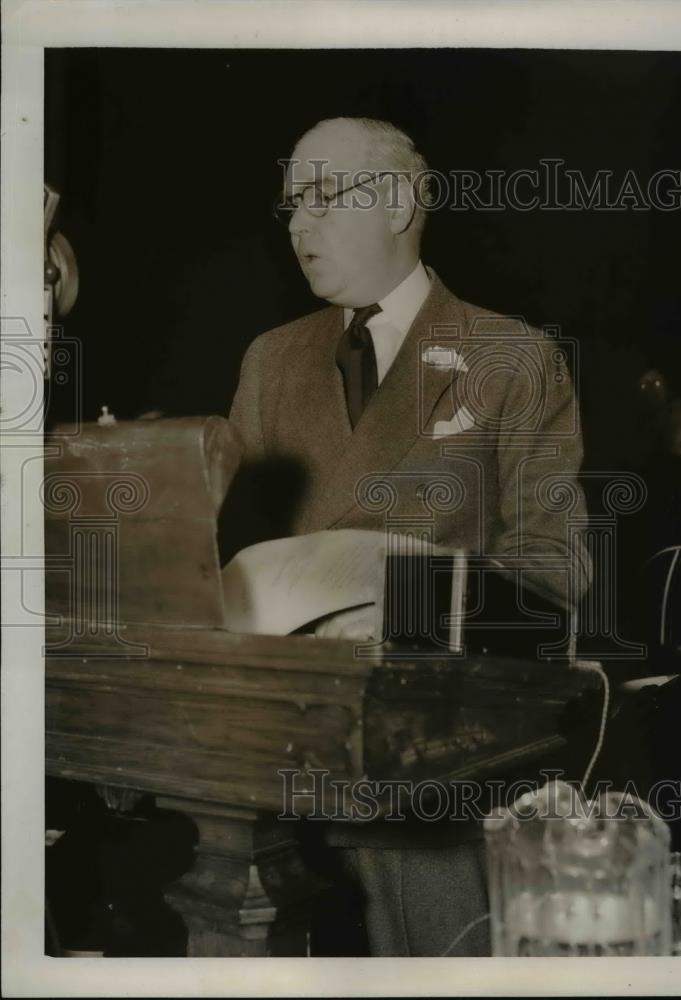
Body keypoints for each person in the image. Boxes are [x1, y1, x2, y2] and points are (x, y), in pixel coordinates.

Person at [229, 117, 591, 955]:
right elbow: (227, 567)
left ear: (398, 202)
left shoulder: (513, 357)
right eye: (289, 203)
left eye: (321, 197)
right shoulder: (269, 360)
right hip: (273, 783)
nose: (297, 223)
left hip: (430, 784)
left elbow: (554, 579)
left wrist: (405, 615)